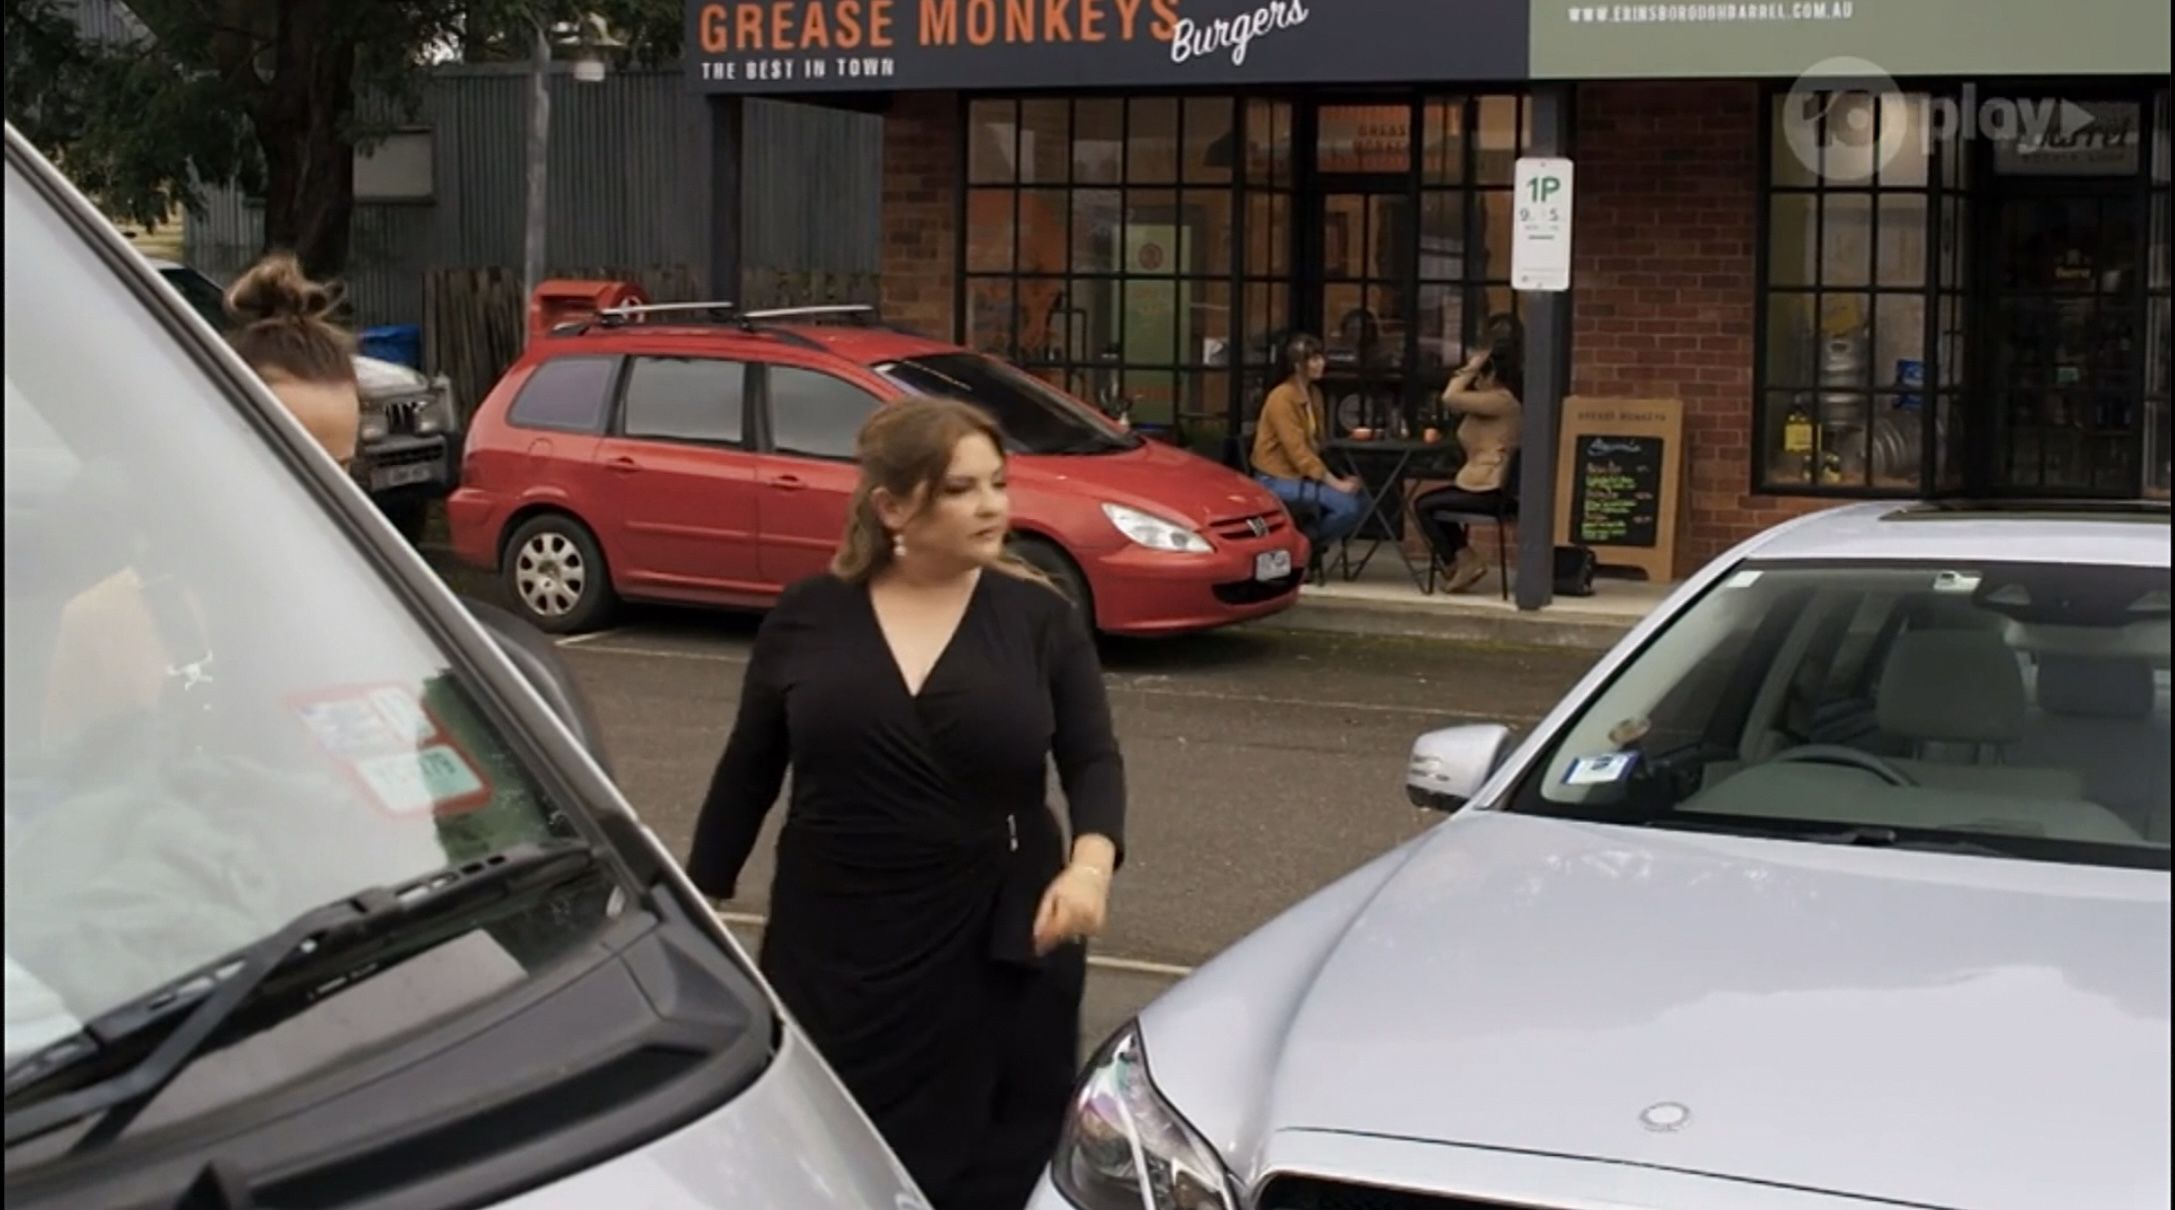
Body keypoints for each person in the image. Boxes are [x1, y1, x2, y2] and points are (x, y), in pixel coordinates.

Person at [684, 398, 1126, 1210]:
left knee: (991, 1171)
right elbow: (748, 769)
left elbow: (1092, 758)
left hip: (999, 944)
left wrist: (1089, 867)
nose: (991, 505)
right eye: (960, 489)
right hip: (835, 949)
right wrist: (694, 903)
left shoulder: (1040, 617)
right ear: (892, 507)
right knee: (829, 1159)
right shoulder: (807, 617)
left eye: (997, 483)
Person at [44, 252, 360, 744]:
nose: (323, 498)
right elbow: (66, 787)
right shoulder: (107, 623)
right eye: (291, 469)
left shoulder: (375, 610)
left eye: (340, 470)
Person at [1413, 317, 1524, 594]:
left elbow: (1450, 397)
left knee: (1425, 505)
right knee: (1430, 504)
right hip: (1479, 482)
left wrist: (1472, 364)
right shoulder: (1492, 402)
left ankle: (1463, 561)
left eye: (1479, 377)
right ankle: (1461, 562)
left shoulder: (1501, 400)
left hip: (1490, 489)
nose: (1476, 382)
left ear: (1491, 373)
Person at [1250, 332, 1366, 550]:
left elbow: (1318, 444)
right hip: (1276, 478)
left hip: (1304, 476)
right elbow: (1299, 452)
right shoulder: (1282, 397)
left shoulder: (1314, 394)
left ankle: (1307, 543)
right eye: (1313, 359)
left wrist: (1341, 476)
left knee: (1362, 499)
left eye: (1321, 357)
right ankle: (1305, 548)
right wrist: (1336, 484)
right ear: (1297, 365)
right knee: (1347, 507)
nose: (1321, 363)